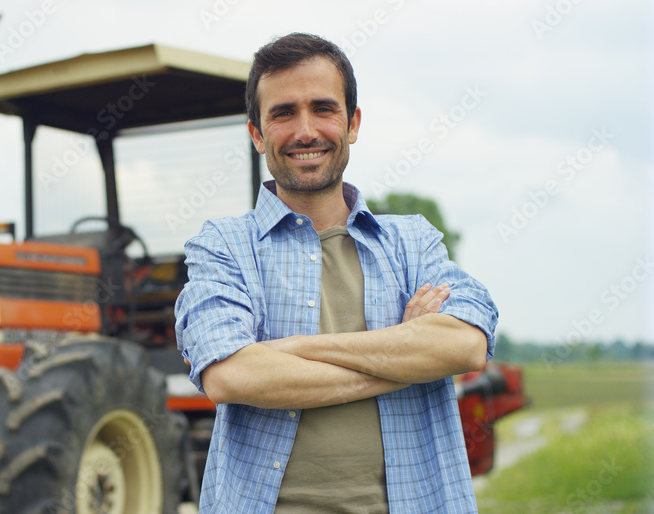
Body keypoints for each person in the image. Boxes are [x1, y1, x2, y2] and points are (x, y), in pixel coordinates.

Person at [174, 32, 498, 513]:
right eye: (283, 113)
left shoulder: (413, 240)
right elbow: (230, 374)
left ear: (352, 123)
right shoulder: (224, 245)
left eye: (323, 108)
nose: (305, 131)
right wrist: (402, 355)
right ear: (257, 133)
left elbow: (467, 344)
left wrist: (287, 353)